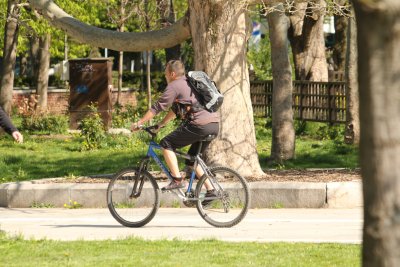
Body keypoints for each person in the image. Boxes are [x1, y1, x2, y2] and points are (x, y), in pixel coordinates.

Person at [131, 60, 219, 194]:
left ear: (172, 74)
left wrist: (139, 123)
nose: (165, 76)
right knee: (191, 159)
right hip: (213, 124)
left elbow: (157, 107)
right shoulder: (189, 83)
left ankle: (177, 180)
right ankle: (211, 190)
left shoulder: (174, 85)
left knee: (166, 143)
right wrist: (161, 124)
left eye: (165, 73)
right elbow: (175, 110)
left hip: (199, 125)